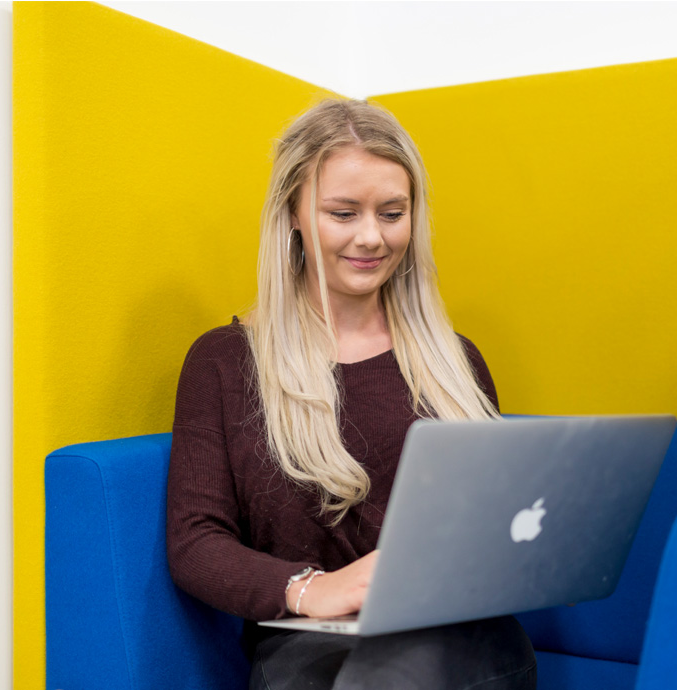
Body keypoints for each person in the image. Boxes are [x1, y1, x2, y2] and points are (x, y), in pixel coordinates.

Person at [166, 98, 537, 690]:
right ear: (292, 211)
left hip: (459, 641)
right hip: (309, 649)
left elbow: (498, 521)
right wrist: (312, 588)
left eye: (392, 213)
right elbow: (195, 540)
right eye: (343, 213)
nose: (371, 238)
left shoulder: (456, 362)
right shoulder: (225, 362)